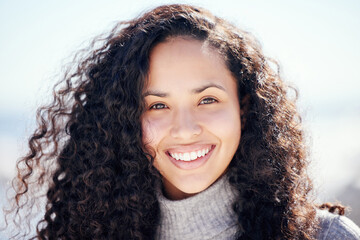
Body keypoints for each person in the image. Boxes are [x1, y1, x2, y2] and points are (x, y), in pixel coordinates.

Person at [3, 4, 360, 240]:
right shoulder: (83, 234)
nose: (186, 129)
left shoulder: (324, 236)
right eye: (157, 105)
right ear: (125, 119)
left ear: (244, 106)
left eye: (207, 99)